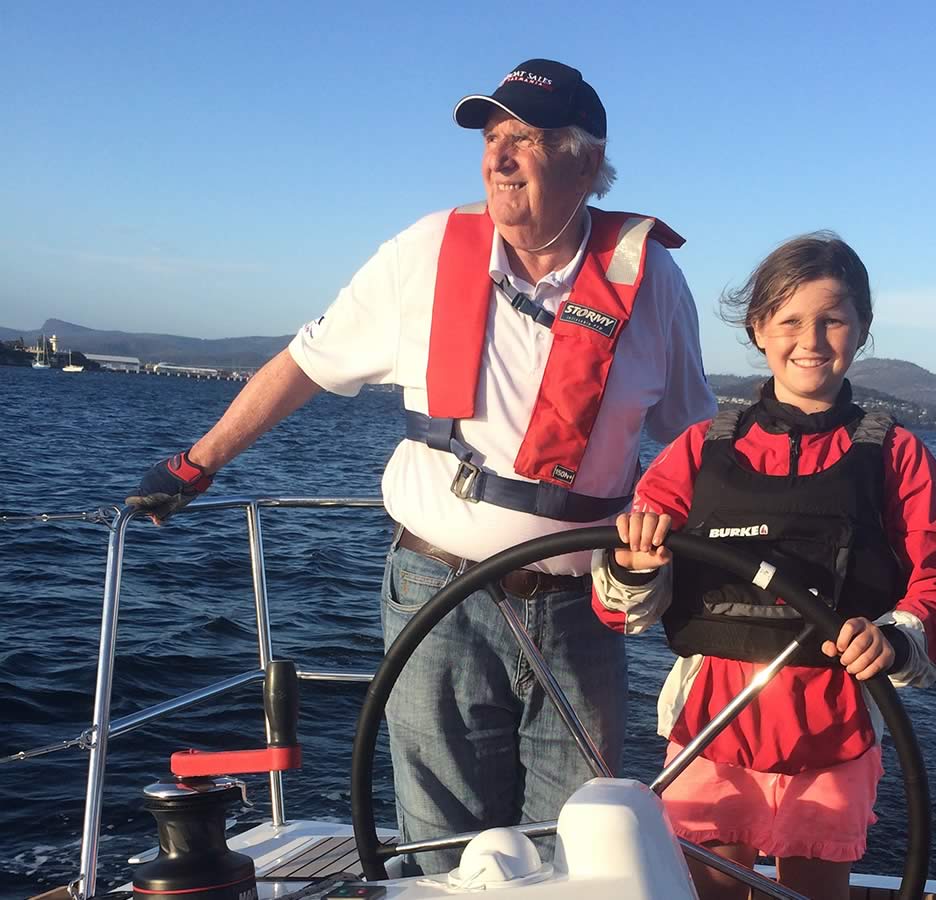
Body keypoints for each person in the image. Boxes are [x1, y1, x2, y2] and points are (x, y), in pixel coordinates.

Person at [127, 58, 716, 873]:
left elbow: (696, 442)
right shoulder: (425, 252)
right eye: (492, 137)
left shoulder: (651, 283)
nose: (498, 158)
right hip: (436, 592)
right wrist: (195, 464)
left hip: (583, 607)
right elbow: (305, 362)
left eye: (527, 140)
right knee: (444, 851)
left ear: (586, 161)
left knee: (583, 849)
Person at [590, 232, 936, 900]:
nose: (812, 339)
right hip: (710, 728)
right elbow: (620, 605)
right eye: (790, 320)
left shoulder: (898, 456)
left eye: (833, 319)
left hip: (833, 734)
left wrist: (892, 640)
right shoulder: (698, 449)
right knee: (704, 890)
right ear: (759, 329)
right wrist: (635, 562)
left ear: (861, 330)